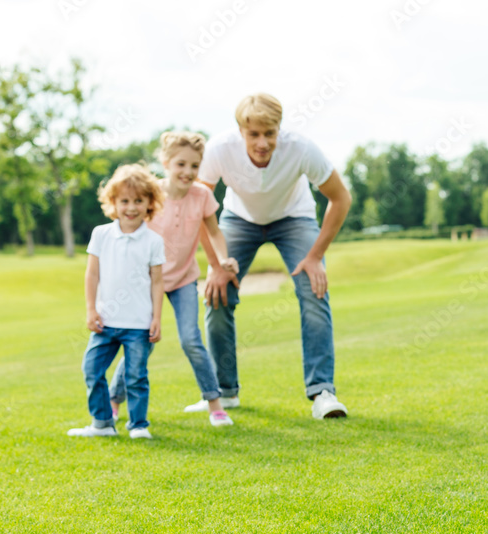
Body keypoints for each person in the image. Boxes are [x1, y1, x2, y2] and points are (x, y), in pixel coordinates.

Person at [196, 93, 353, 419]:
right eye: (254, 134)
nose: (263, 142)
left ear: (280, 128)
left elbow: (340, 198)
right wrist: (215, 265)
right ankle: (224, 392)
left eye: (270, 133)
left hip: (294, 218)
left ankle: (322, 391)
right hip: (240, 220)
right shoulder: (219, 150)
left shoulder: (301, 148)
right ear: (240, 131)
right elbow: (198, 205)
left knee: (314, 290)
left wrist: (315, 256)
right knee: (217, 292)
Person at [108, 132, 240, 427]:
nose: (188, 172)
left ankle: (215, 405)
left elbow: (214, 233)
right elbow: (129, 227)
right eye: (181, 164)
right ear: (166, 162)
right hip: (146, 282)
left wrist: (222, 260)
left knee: (191, 339)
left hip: (183, 279)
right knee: (141, 342)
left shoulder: (202, 196)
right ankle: (114, 402)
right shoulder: (151, 194)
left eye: (195, 166)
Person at [68, 164, 165, 439]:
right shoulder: (101, 234)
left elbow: (158, 282)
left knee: (136, 378)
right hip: (105, 322)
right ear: (113, 202)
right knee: (92, 369)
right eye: (124, 201)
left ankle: (138, 425)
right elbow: (92, 273)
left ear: (149, 203)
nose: (131, 207)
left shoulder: (153, 241)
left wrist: (157, 317)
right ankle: (101, 423)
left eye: (138, 201)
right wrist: (90, 309)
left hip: (138, 325)